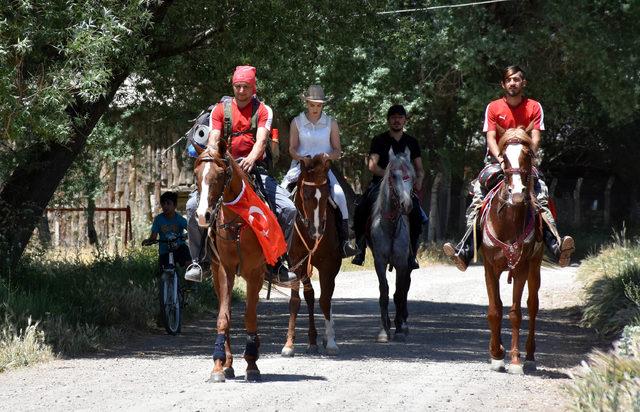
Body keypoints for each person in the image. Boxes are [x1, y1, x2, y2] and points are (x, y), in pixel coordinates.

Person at [443, 65, 575, 271]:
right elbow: (491, 138)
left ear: (524, 83)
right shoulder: (493, 107)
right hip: (497, 162)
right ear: (503, 84)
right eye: (509, 80)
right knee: (479, 196)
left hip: (523, 163)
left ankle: (556, 246)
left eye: (517, 79)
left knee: (540, 196)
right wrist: (501, 159)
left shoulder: (534, 107)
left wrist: (525, 158)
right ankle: (466, 250)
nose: (513, 83)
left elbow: (536, 138)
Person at [185, 65, 297, 283]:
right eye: (237, 86)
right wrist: (215, 157)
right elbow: (214, 138)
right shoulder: (220, 110)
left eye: (245, 86)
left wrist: (251, 159)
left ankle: (278, 262)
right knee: (191, 207)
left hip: (253, 168)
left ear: (253, 88)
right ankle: (199, 261)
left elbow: (262, 141)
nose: (241, 91)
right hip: (223, 167)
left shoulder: (263, 110)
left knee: (288, 209)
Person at [280, 85, 358, 258]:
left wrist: (328, 155)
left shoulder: (331, 123)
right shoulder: (297, 122)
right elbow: (291, 149)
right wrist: (301, 157)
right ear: (306, 103)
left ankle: (344, 242)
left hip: (323, 169)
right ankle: (279, 245)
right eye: (312, 104)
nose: (315, 109)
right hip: (300, 168)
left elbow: (338, 151)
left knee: (339, 196)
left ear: (323, 106)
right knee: (282, 196)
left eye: (319, 105)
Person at [351, 104, 426, 269]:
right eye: (393, 117)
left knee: (418, 216)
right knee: (362, 208)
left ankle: (412, 254)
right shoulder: (379, 140)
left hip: (405, 186)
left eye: (400, 117)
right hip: (381, 184)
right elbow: (372, 166)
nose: (397, 120)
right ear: (388, 121)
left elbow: (419, 169)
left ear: (405, 120)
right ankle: (360, 250)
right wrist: (390, 176)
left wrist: (419, 179)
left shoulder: (411, 142)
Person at [142, 191, 192, 272]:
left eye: (168, 203)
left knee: (189, 265)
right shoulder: (158, 219)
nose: (165, 206)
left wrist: (187, 235)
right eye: (163, 204)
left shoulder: (180, 219)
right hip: (165, 250)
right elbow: (153, 237)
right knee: (162, 274)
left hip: (179, 247)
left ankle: (191, 283)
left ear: (175, 205)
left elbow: (190, 230)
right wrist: (149, 241)